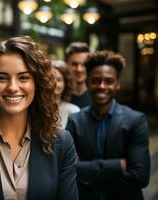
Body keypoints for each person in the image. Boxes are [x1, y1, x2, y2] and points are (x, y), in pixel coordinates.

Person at [0, 36, 78, 200]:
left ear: (37, 83)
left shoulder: (62, 143)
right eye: (2, 78)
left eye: (23, 77)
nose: (13, 88)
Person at [66, 50, 150, 200]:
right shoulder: (75, 120)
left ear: (117, 84)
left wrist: (93, 182)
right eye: (96, 80)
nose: (102, 86)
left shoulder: (135, 120)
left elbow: (140, 176)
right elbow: (68, 169)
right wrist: (118, 165)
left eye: (109, 81)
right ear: (87, 83)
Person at [52, 60, 80, 129]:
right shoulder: (35, 110)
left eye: (59, 80)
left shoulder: (74, 111)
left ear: (66, 83)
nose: (54, 83)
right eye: (51, 79)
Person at [65, 42, 91, 108]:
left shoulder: (96, 97)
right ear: (67, 64)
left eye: (84, 64)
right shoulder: (59, 96)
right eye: (74, 64)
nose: (79, 69)